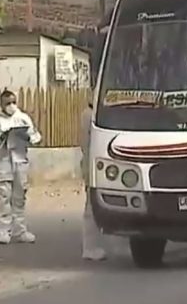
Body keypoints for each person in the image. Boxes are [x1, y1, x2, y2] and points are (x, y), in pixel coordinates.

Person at [0, 90, 42, 244]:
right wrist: (2, 136)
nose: (11, 106)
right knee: (3, 196)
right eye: (7, 103)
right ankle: (3, 231)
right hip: (3, 161)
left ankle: (20, 230)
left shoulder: (23, 118)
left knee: (19, 196)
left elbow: (36, 137)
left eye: (13, 102)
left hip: (20, 160)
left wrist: (27, 137)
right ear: (1, 105)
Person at [80, 101, 109, 261]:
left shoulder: (90, 113)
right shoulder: (90, 115)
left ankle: (92, 246)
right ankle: (90, 247)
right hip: (92, 165)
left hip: (91, 163)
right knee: (91, 207)